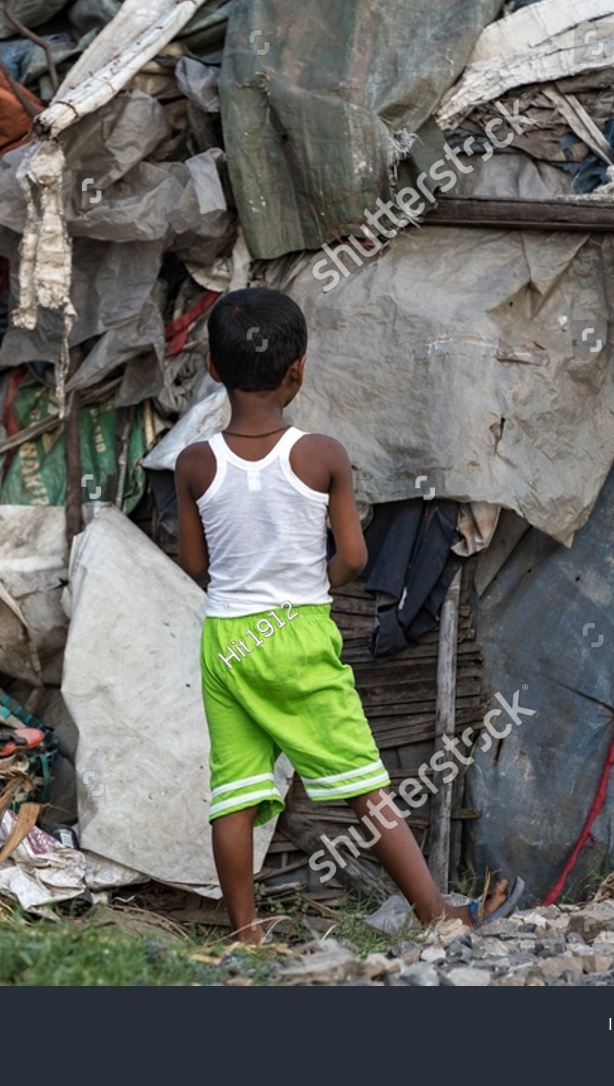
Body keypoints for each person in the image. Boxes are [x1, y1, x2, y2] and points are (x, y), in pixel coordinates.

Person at [173, 287, 522, 944]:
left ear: (213, 368)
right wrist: (308, 582)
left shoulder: (194, 464)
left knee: (236, 793)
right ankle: (434, 913)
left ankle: (245, 937)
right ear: (298, 370)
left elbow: (196, 562)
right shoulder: (322, 454)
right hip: (299, 633)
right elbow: (356, 558)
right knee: (364, 784)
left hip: (226, 640)